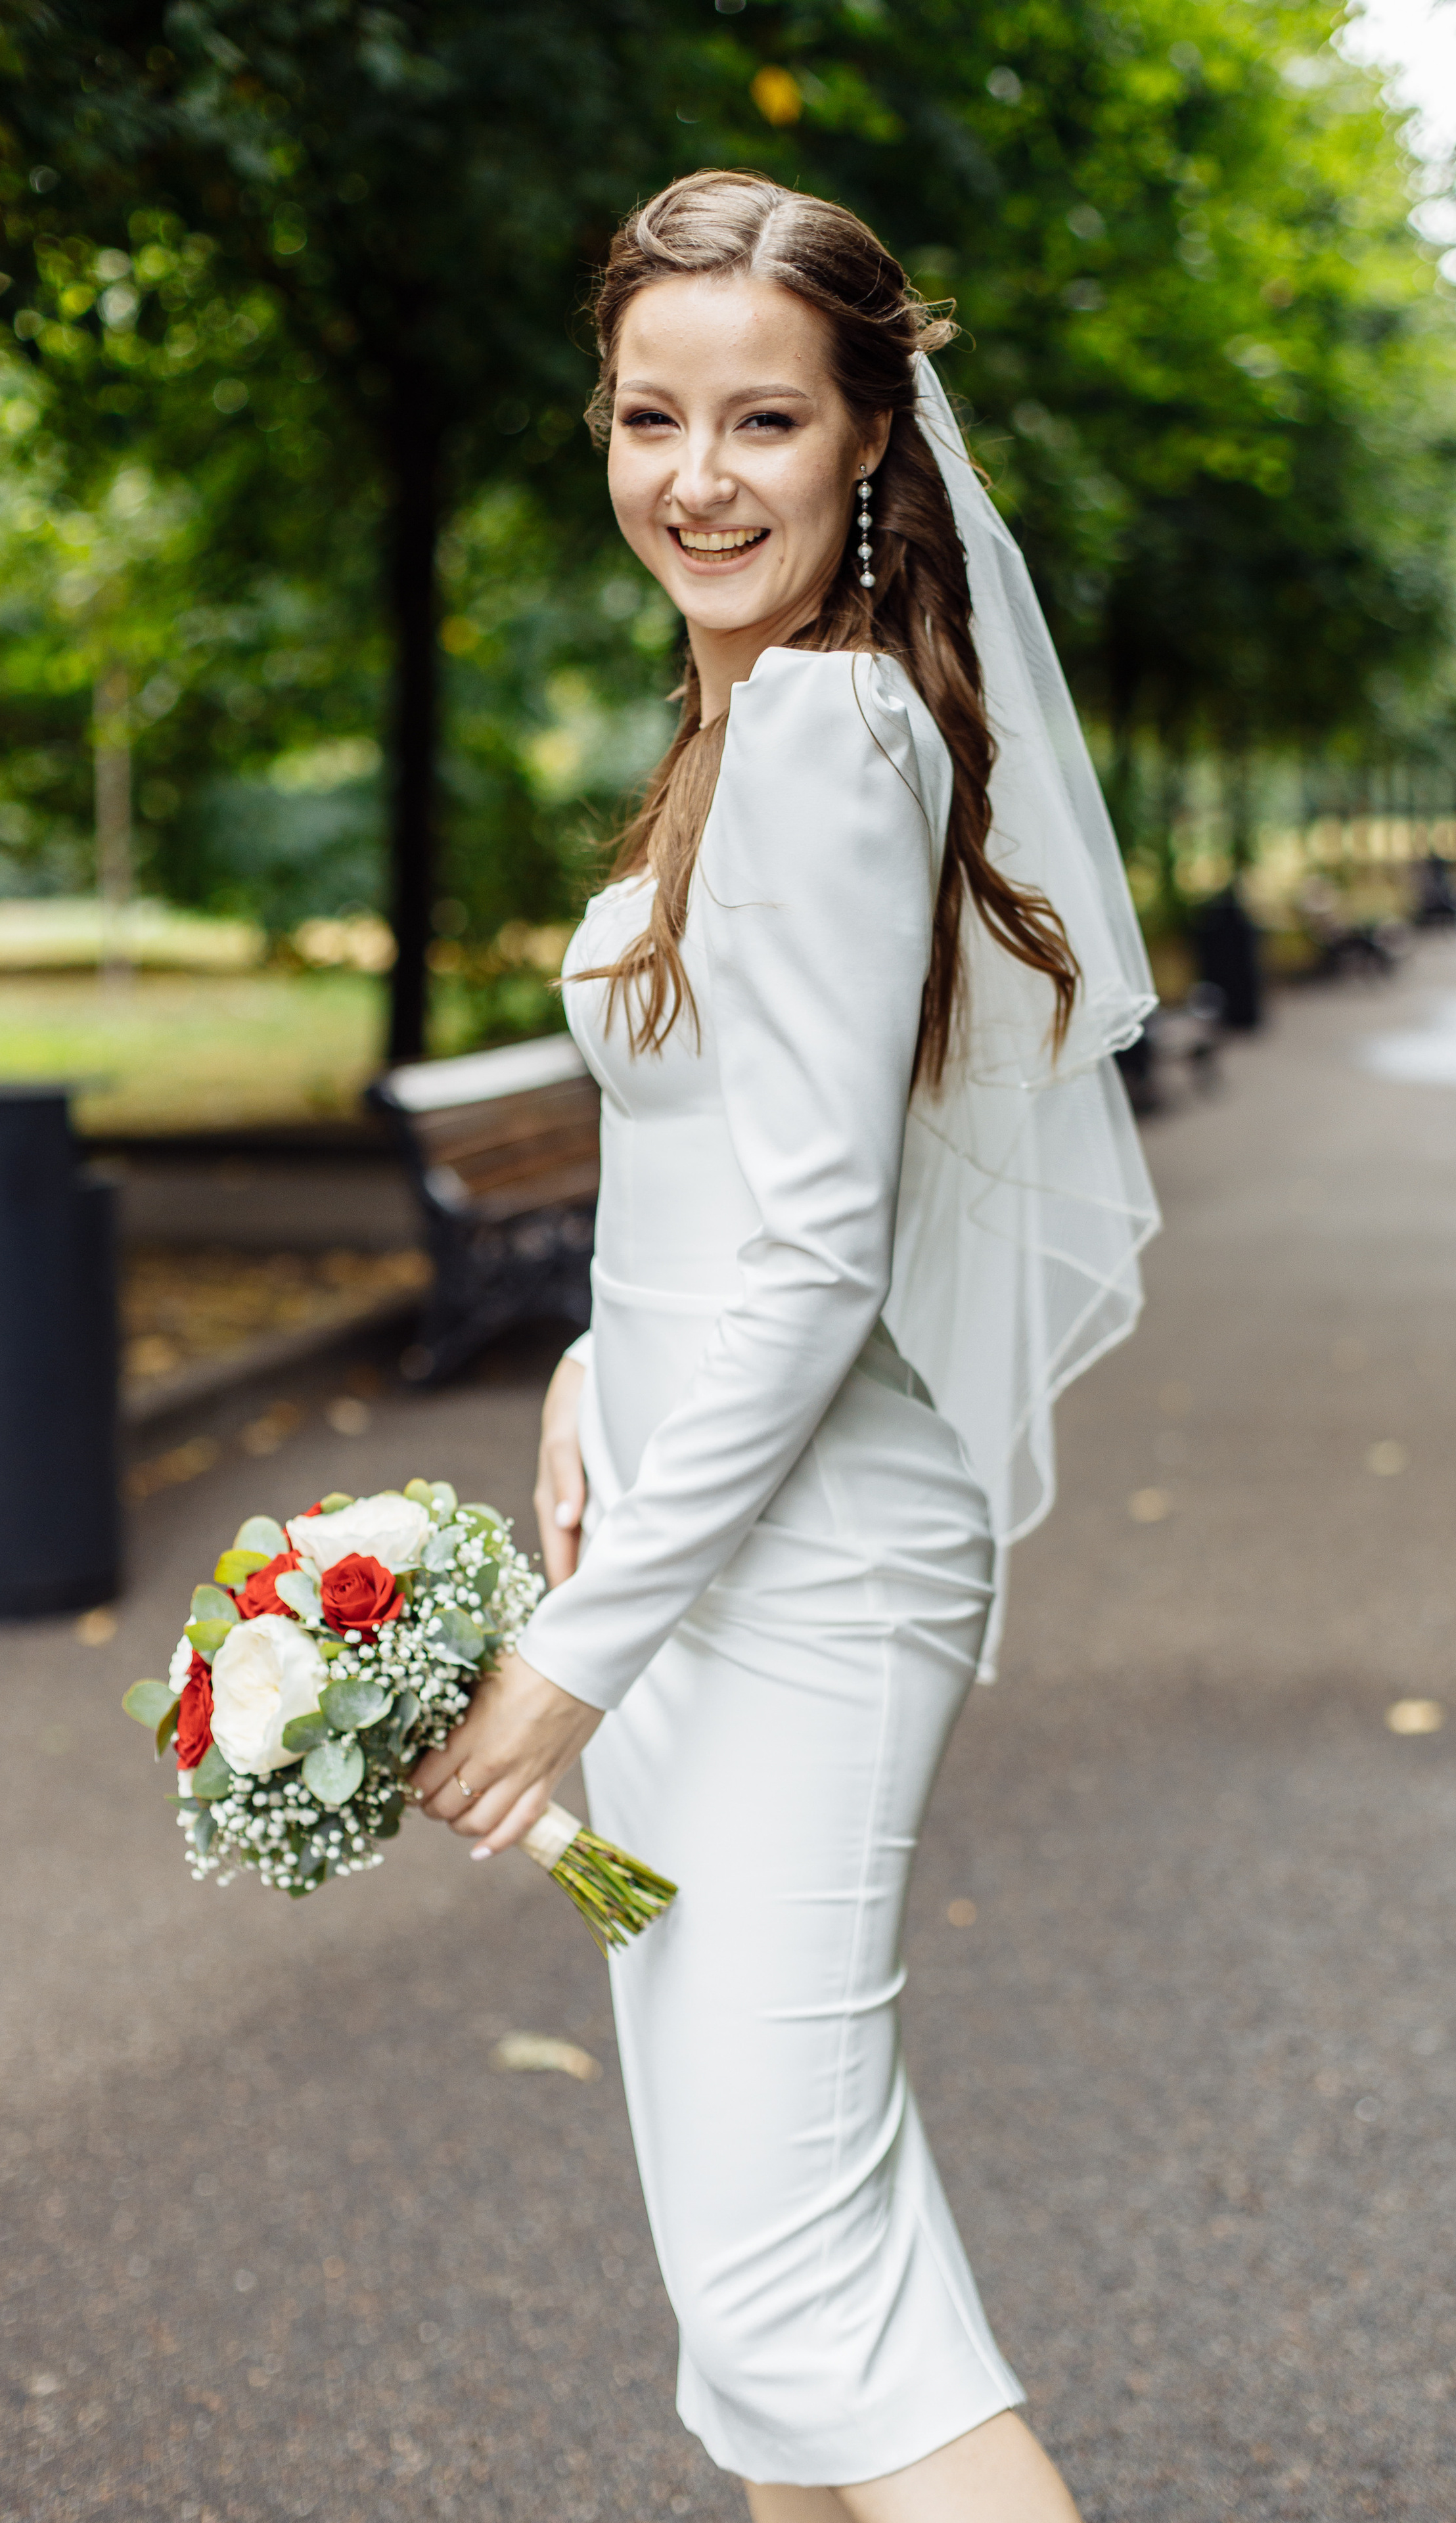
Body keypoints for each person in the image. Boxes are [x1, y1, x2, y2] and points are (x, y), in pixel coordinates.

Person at [410, 170, 1158, 2519]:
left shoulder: (828, 734)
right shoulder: (754, 721)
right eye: (651, 417)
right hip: (715, 1530)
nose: (696, 474)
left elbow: (827, 1246)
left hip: (803, 1580)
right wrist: (582, 1373)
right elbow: (740, 1155)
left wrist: (569, 1667)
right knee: (763, 2299)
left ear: (864, 448)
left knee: (801, 2294)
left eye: (761, 418)